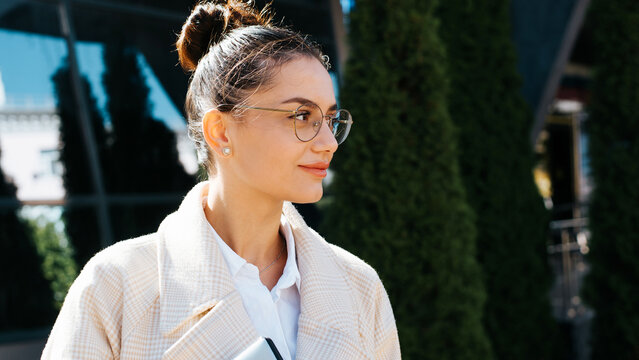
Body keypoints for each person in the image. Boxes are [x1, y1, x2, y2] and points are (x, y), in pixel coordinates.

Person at [42, 1, 400, 359]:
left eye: (331, 119)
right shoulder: (116, 288)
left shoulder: (358, 287)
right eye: (302, 115)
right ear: (221, 132)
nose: (328, 143)